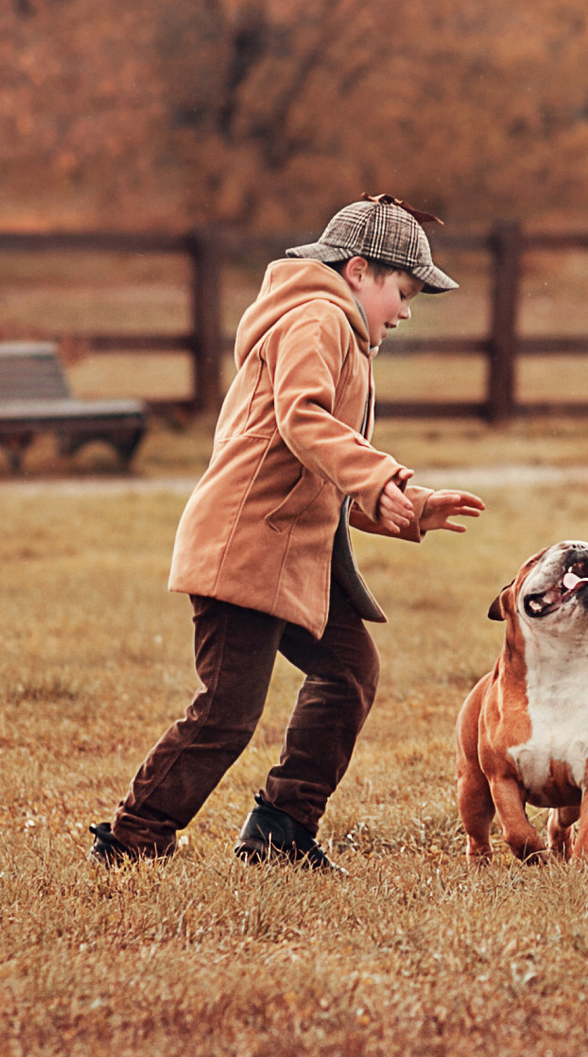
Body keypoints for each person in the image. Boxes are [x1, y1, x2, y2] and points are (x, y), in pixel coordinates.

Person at [90, 196, 485, 871]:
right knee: (227, 711)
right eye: (403, 289)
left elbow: (325, 466)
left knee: (349, 671)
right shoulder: (316, 318)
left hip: (293, 561)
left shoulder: (339, 331)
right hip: (245, 551)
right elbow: (303, 420)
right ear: (358, 269)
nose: (407, 308)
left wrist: (404, 503)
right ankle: (134, 835)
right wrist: (382, 476)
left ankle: (281, 827)